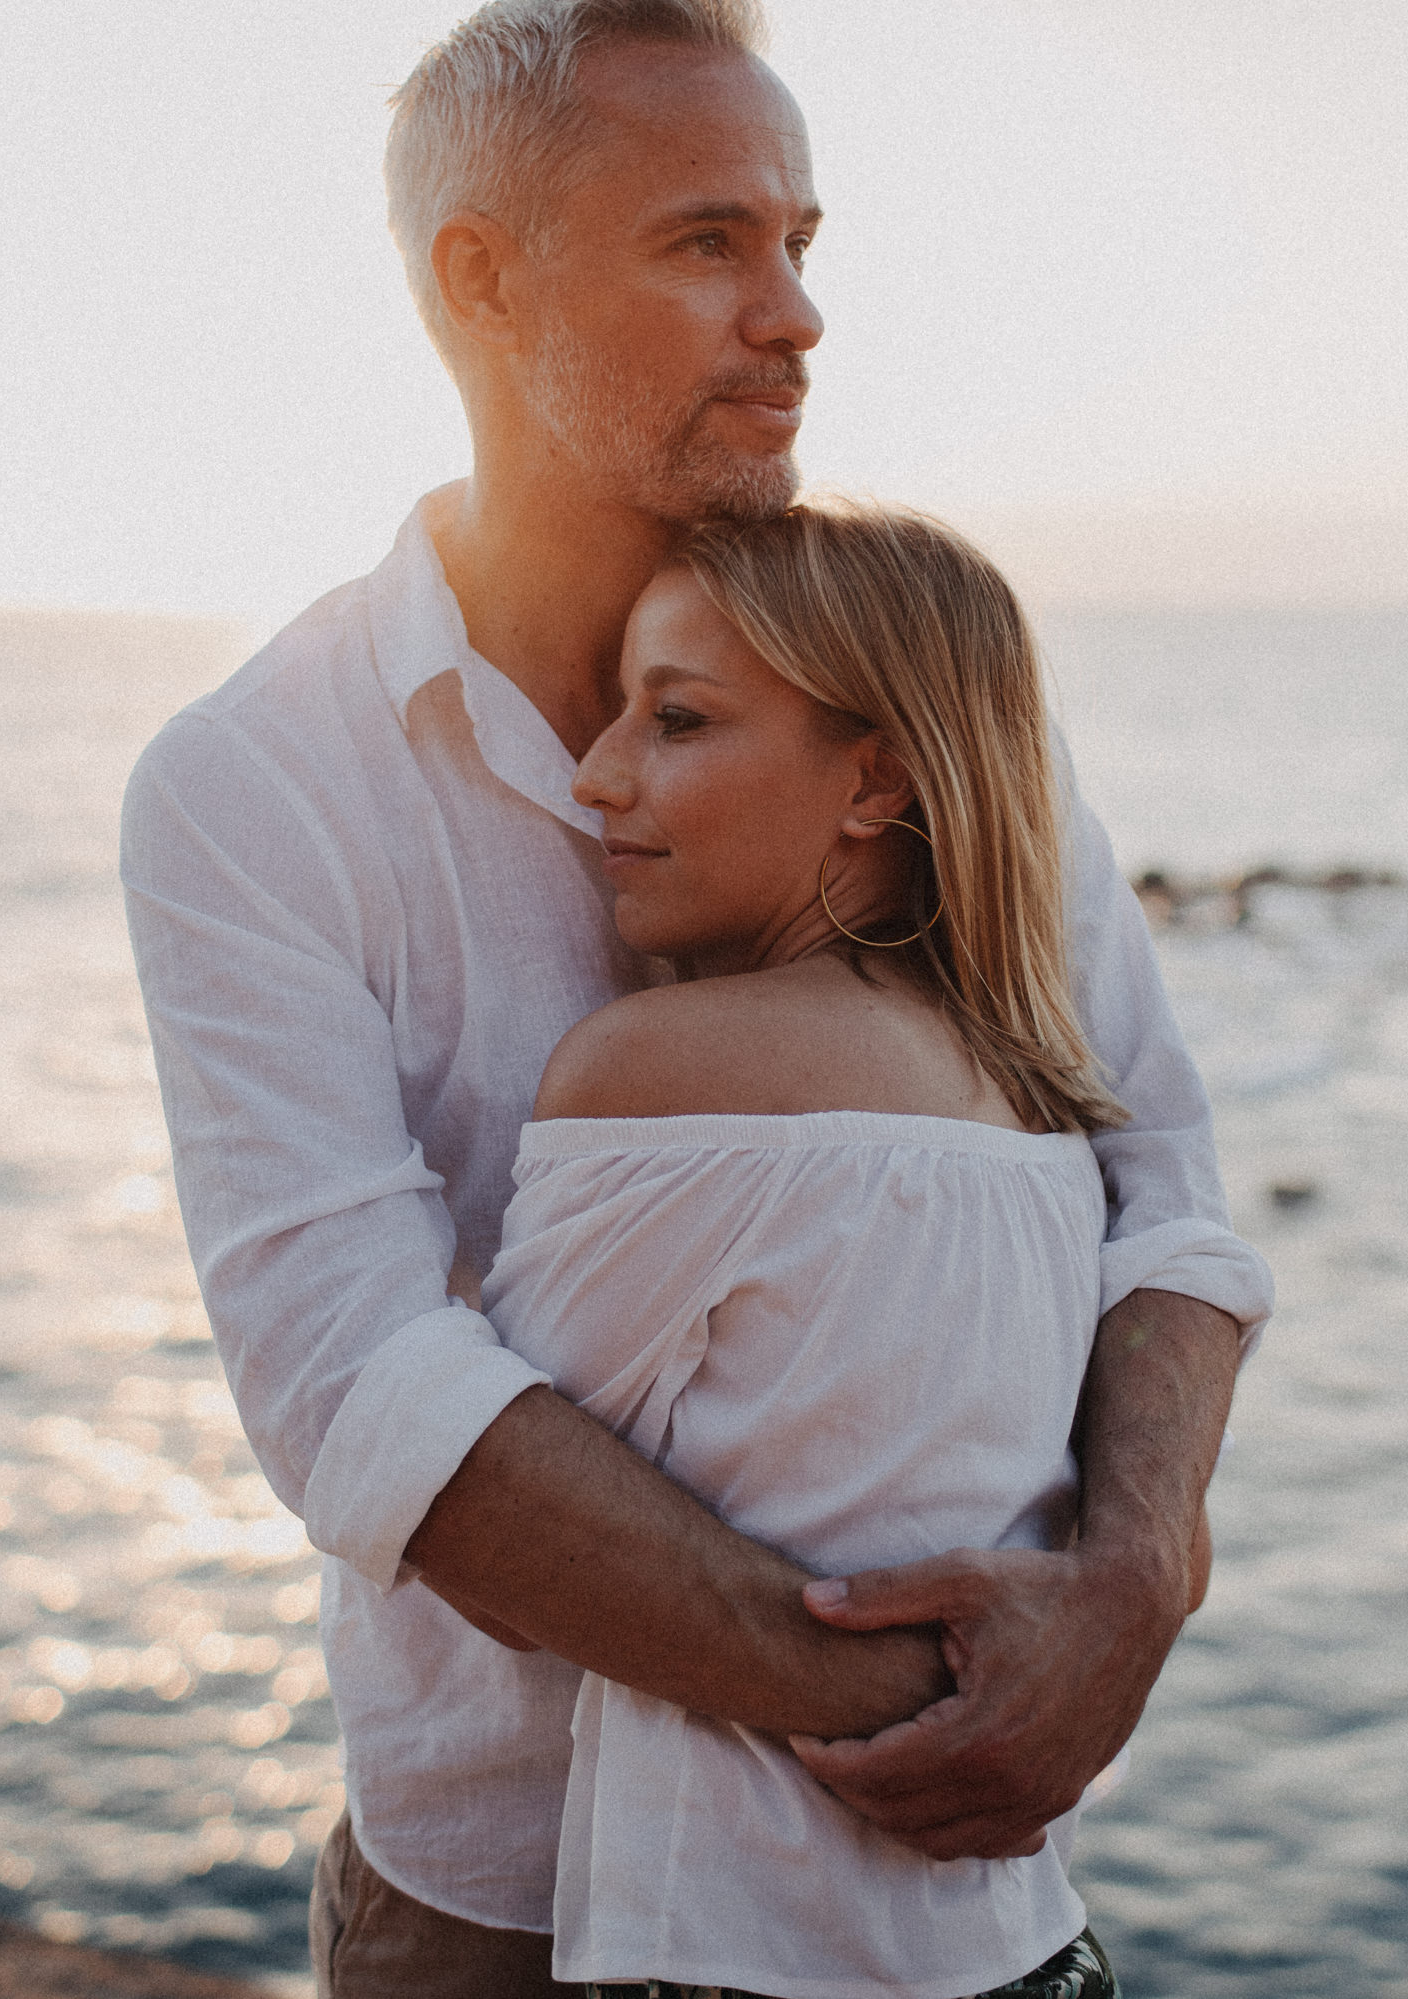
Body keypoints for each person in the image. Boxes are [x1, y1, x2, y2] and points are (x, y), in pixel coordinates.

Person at [117, 3, 1270, 1993]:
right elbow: (354, 1385)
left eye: (804, 243)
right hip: (502, 1896)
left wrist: (1141, 1579)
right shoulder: (256, 781)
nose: (797, 313)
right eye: (710, 243)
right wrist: (908, 1695)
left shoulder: (904, 707)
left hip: (920, 1903)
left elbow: (1154, 1162)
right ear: (483, 280)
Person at [481, 500, 1167, 1997]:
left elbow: (497, 1552)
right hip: (1029, 1950)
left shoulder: (660, 1072)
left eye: (676, 720)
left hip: (742, 1960)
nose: (595, 776)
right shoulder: (1043, 1111)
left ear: (878, 779)